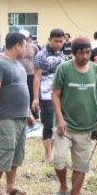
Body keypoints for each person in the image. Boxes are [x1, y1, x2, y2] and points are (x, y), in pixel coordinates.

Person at [51, 36, 97, 195]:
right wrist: (60, 119)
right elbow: (55, 94)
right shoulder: (64, 69)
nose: (85, 56)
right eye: (81, 52)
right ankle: (63, 187)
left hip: (86, 127)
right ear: (74, 53)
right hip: (65, 125)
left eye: (88, 52)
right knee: (60, 160)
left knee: (81, 166)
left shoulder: (96, 70)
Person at [0, 32, 35, 195]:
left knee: (17, 153)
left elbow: (24, 92)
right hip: (5, 117)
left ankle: (10, 187)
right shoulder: (0, 65)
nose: (26, 49)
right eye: (25, 45)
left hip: (21, 118)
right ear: (17, 45)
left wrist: (29, 113)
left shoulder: (20, 66)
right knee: (5, 151)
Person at [33, 29, 68, 162]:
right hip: (46, 93)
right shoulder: (41, 55)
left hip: (61, 94)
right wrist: (36, 98)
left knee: (59, 122)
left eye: (61, 41)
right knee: (48, 124)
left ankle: (57, 150)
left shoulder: (63, 55)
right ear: (49, 40)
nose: (59, 44)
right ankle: (48, 154)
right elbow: (37, 78)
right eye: (56, 41)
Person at [18, 29, 39, 120]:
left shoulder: (34, 47)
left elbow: (37, 59)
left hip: (31, 74)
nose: (26, 40)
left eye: (27, 38)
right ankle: (22, 114)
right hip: (19, 74)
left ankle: (34, 115)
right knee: (21, 95)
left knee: (32, 94)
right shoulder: (17, 47)